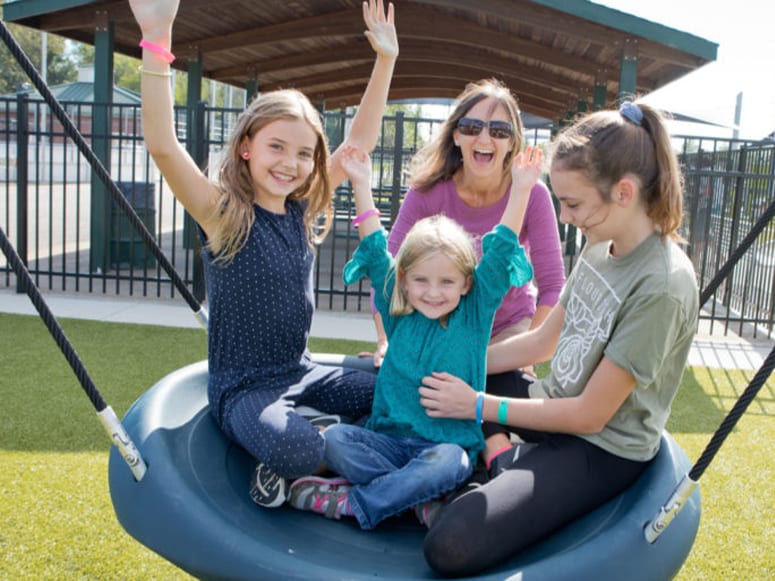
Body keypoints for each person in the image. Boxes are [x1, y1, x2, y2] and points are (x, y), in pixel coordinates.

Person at [127, 0, 398, 509]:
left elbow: (357, 143)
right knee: (294, 446)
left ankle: (329, 449)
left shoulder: (301, 211)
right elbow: (163, 146)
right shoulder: (224, 212)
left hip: (301, 370)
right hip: (245, 389)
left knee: (391, 391)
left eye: (303, 153)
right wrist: (157, 37)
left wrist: (385, 60)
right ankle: (313, 463)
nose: (290, 163)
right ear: (247, 147)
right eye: (277, 147)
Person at [417, 101, 699, 577]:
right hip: (553, 405)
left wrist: (477, 404)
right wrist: (461, 360)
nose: (566, 217)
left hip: (599, 447)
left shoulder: (663, 285)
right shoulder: (599, 246)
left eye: (573, 203)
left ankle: (498, 464)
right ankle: (501, 455)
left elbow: (591, 414)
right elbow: (541, 342)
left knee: (451, 542)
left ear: (624, 192)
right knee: (447, 373)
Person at [286, 144, 543, 529]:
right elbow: (375, 250)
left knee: (452, 463)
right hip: (386, 444)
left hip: (443, 448)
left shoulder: (473, 315)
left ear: (466, 283)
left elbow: (502, 248)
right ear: (403, 280)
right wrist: (360, 182)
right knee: (337, 439)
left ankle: (353, 502)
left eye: (446, 281)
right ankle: (414, 498)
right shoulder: (398, 309)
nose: (433, 292)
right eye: (421, 280)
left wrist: (521, 189)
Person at [366, 79, 565, 466]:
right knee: (411, 379)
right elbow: (389, 275)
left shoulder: (532, 195)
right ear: (456, 135)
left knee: (483, 378)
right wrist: (384, 339)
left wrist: (531, 349)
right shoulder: (428, 192)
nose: (484, 137)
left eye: (499, 130)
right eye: (472, 127)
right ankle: (450, 449)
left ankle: (493, 451)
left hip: (506, 328)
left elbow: (553, 286)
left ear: (513, 142)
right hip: (438, 326)